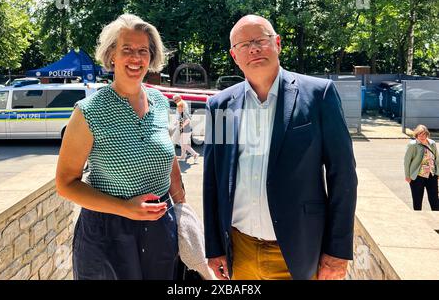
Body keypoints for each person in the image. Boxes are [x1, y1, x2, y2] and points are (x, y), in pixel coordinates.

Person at [203, 15, 358, 280]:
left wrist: (337, 251)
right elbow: (213, 181)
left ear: (277, 43)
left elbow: (342, 175)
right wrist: (214, 248)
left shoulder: (318, 95)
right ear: (234, 56)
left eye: (260, 40)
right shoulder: (221, 106)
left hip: (298, 251)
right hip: (239, 251)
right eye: (244, 45)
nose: (253, 48)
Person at [55, 14, 187, 280]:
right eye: (126, 49)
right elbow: (66, 183)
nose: (135, 58)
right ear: (111, 55)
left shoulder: (160, 102)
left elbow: (167, 155)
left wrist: (182, 206)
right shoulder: (89, 112)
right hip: (106, 235)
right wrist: (126, 208)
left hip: (161, 226)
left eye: (143, 51)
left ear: (152, 57)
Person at [404, 124, 439, 211]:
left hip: (432, 175)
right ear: (416, 135)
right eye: (420, 134)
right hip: (417, 176)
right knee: (417, 201)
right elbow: (407, 161)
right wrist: (407, 176)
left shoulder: (432, 143)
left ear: (427, 134)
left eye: (424, 134)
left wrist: (438, 173)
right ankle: (418, 220)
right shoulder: (413, 145)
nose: (422, 136)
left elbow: (437, 159)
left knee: (435, 201)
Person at [173, 94, 199, 162]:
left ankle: (195, 154)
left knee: (183, 144)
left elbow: (188, 120)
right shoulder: (182, 113)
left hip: (186, 130)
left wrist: (182, 125)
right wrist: (177, 122)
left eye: (178, 108)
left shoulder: (183, 113)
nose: (177, 109)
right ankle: (183, 156)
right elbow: (181, 119)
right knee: (183, 143)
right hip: (185, 130)